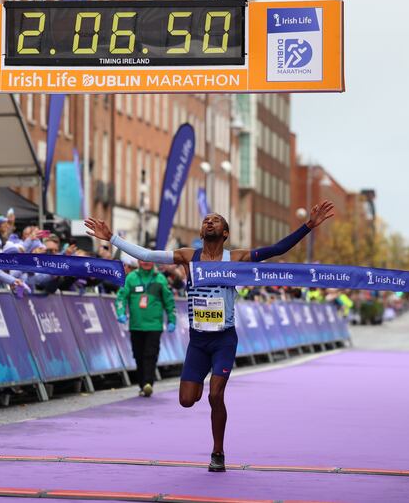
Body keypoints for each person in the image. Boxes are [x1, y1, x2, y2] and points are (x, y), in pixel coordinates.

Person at [86, 200, 335, 472]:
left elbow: (276, 250)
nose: (209, 222)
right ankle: (203, 387)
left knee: (215, 396)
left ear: (225, 232)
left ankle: (218, 452)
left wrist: (308, 226)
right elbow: (148, 254)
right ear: (202, 231)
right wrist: (112, 238)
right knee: (186, 400)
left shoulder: (236, 258)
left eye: (215, 220)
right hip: (198, 340)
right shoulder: (187, 257)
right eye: (206, 220)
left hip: (224, 339)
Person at [116, 260, 177, 397]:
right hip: (136, 325)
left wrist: (172, 320)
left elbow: (169, 301)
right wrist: (120, 313)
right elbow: (121, 297)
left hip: (154, 325)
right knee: (138, 355)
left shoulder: (160, 279)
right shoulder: (131, 278)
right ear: (138, 261)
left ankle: (148, 383)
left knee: (150, 354)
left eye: (149, 260)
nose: (146, 263)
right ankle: (142, 385)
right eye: (143, 260)